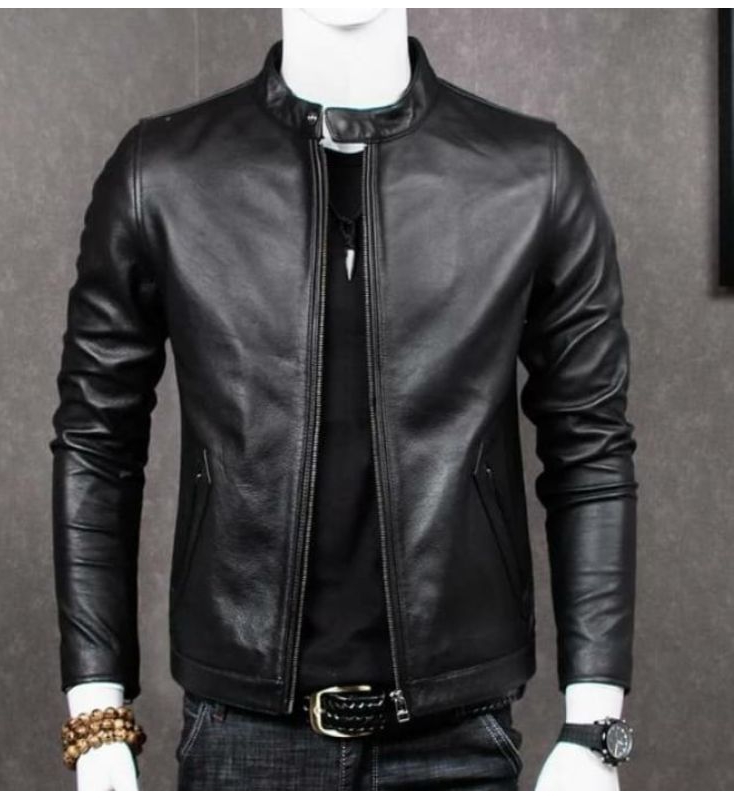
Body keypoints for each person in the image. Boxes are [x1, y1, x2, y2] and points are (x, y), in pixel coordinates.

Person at [50, 8, 638, 791]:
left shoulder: (532, 172)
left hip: (459, 732)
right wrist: (96, 713)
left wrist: (597, 729)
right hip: (241, 733)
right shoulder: (163, 171)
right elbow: (97, 443)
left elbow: (590, 448)